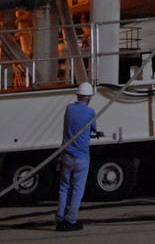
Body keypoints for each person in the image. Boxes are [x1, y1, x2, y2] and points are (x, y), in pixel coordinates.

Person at [55, 80, 102, 232]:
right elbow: (93, 129)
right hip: (81, 157)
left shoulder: (69, 109)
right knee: (77, 189)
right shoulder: (90, 112)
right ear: (89, 97)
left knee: (64, 187)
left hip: (67, 155)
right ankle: (71, 220)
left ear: (78, 95)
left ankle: (60, 218)